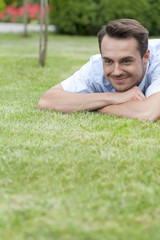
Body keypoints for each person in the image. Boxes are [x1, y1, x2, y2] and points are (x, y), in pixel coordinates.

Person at [37, 19, 160, 121]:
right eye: (108, 61)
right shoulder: (96, 66)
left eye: (126, 61)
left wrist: (90, 106)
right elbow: (47, 101)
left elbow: (148, 113)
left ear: (146, 57)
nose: (116, 71)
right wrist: (113, 97)